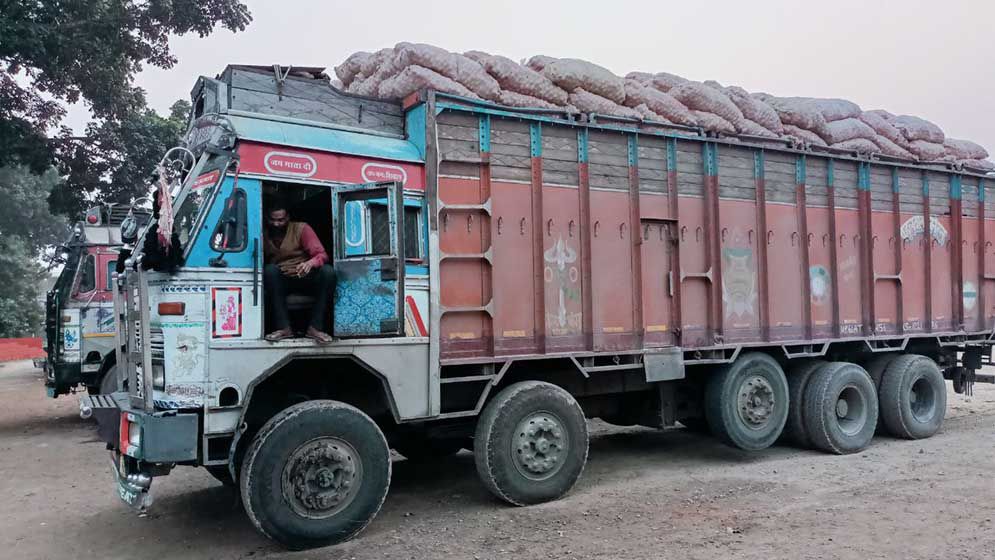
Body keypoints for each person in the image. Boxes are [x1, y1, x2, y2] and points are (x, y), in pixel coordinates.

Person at [262, 197, 335, 343]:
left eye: (281, 220)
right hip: (283, 279)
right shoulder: (262, 233)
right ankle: (284, 328)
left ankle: (315, 328)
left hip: (305, 276)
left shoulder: (302, 228)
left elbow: (322, 255)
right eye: (273, 220)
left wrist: (311, 263)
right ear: (266, 218)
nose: (276, 224)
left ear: (288, 217)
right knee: (269, 271)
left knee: (328, 272)